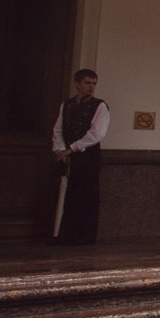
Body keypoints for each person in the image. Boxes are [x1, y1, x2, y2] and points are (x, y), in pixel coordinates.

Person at [51, 68, 109, 245]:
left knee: (85, 196)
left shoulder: (99, 106)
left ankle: (83, 236)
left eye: (94, 83)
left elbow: (97, 133)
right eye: (87, 83)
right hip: (68, 156)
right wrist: (60, 150)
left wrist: (72, 148)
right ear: (77, 84)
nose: (91, 87)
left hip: (87, 157)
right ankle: (64, 234)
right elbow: (58, 129)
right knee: (68, 195)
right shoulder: (67, 105)